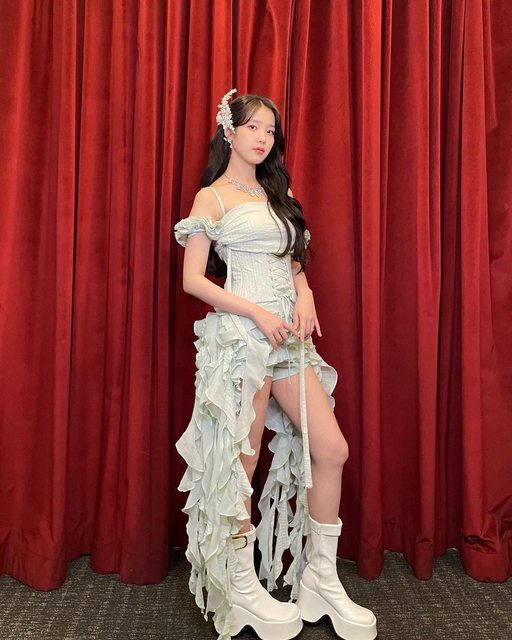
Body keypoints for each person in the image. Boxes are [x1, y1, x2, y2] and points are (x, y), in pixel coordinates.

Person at [173, 89, 377, 640]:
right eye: (253, 127)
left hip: (288, 340)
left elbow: (292, 262)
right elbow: (193, 280)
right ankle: (240, 585)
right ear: (229, 132)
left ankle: (321, 578)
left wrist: (304, 292)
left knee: (331, 449)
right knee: (241, 463)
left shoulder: (278, 192)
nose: (263, 137)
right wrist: (257, 313)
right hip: (243, 340)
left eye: (270, 130)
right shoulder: (211, 198)